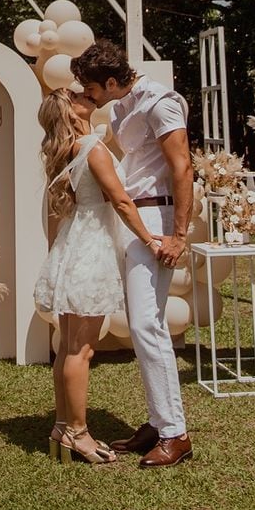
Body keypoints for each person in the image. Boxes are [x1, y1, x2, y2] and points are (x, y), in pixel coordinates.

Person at [72, 38, 194, 469]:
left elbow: (182, 167)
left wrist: (178, 234)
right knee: (147, 324)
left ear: (108, 81)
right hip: (134, 223)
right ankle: (159, 424)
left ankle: (176, 435)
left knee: (145, 326)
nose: (89, 98)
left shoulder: (160, 102)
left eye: (91, 91)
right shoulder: (122, 106)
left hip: (159, 223)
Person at [34, 83, 169, 466]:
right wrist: (151, 240)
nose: (85, 93)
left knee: (69, 345)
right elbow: (122, 201)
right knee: (82, 348)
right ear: (71, 111)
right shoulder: (91, 149)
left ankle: (62, 426)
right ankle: (78, 433)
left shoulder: (70, 149)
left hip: (74, 244)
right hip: (91, 250)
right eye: (76, 95)